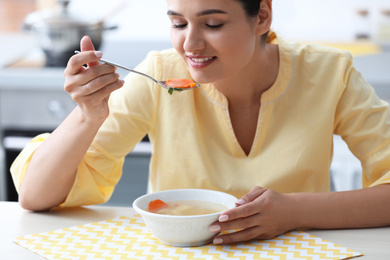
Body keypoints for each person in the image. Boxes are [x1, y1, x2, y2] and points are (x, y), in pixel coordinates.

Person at [11, 0, 390, 245]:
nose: (190, 45)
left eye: (212, 24)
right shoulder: (160, 74)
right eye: (178, 24)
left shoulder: (328, 73)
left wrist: (294, 211)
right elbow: (35, 196)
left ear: (262, 16)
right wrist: (88, 115)